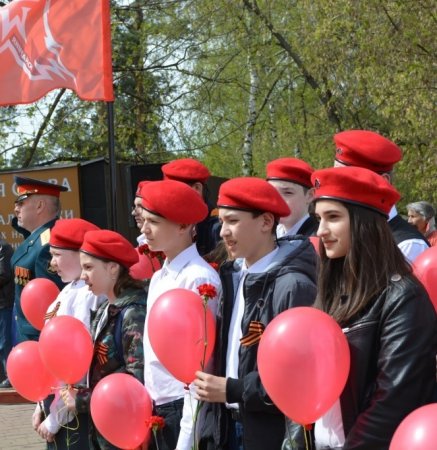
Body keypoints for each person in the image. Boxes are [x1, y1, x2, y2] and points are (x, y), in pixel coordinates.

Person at [283, 166, 436, 449]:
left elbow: (392, 400)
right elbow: (305, 381)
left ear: (364, 223)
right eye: (319, 218)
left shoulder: (403, 298)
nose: (321, 230)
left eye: (333, 217)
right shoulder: (330, 292)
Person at [194, 177, 318, 450]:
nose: (223, 232)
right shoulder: (233, 276)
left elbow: (297, 378)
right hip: (229, 423)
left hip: (268, 432)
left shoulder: (293, 286)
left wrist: (233, 390)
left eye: (233, 221)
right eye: (221, 221)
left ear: (265, 222)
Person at [138, 179, 222, 450]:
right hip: (157, 402)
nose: (144, 229)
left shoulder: (198, 279)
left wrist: (186, 437)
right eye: (144, 220)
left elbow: (200, 363)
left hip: (182, 404)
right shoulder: (159, 276)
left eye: (154, 222)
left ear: (184, 226)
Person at [61, 229, 147, 450]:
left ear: (112, 268)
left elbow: (136, 379)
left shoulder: (133, 312)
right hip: (104, 427)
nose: (82, 276)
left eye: (89, 267)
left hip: (125, 429)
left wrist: (82, 400)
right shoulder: (104, 308)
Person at [32, 218, 106, 449]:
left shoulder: (87, 294)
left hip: (72, 412)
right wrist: (41, 405)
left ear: (80, 254)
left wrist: (56, 418)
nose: (52, 264)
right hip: (55, 403)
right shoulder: (68, 290)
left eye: (57, 255)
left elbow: (78, 365)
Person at [2, 176, 67, 389]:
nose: (16, 209)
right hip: (27, 338)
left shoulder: (48, 245)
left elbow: (52, 304)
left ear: (39, 205)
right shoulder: (37, 238)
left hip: (41, 344)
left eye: (21, 203)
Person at [332, 130, 429, 263]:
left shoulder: (409, 246)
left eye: (346, 179)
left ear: (382, 181)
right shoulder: (345, 235)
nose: (335, 187)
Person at [161, 158, 221, 256]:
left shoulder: (216, 227)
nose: (170, 197)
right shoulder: (174, 222)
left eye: (174, 191)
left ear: (197, 188)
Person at [266, 157, 318, 237]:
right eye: (272, 192)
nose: (277, 200)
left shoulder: (318, 239)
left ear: (310, 195)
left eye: (288, 193)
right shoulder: (267, 234)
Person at [129, 181, 162, 280]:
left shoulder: (165, 246)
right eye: (134, 206)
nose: (133, 212)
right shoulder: (142, 243)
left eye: (140, 206)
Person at [0, 238, 14, 386]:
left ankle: (10, 376)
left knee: (4, 343)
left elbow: (3, 275)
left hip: (3, 304)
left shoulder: (3, 248)